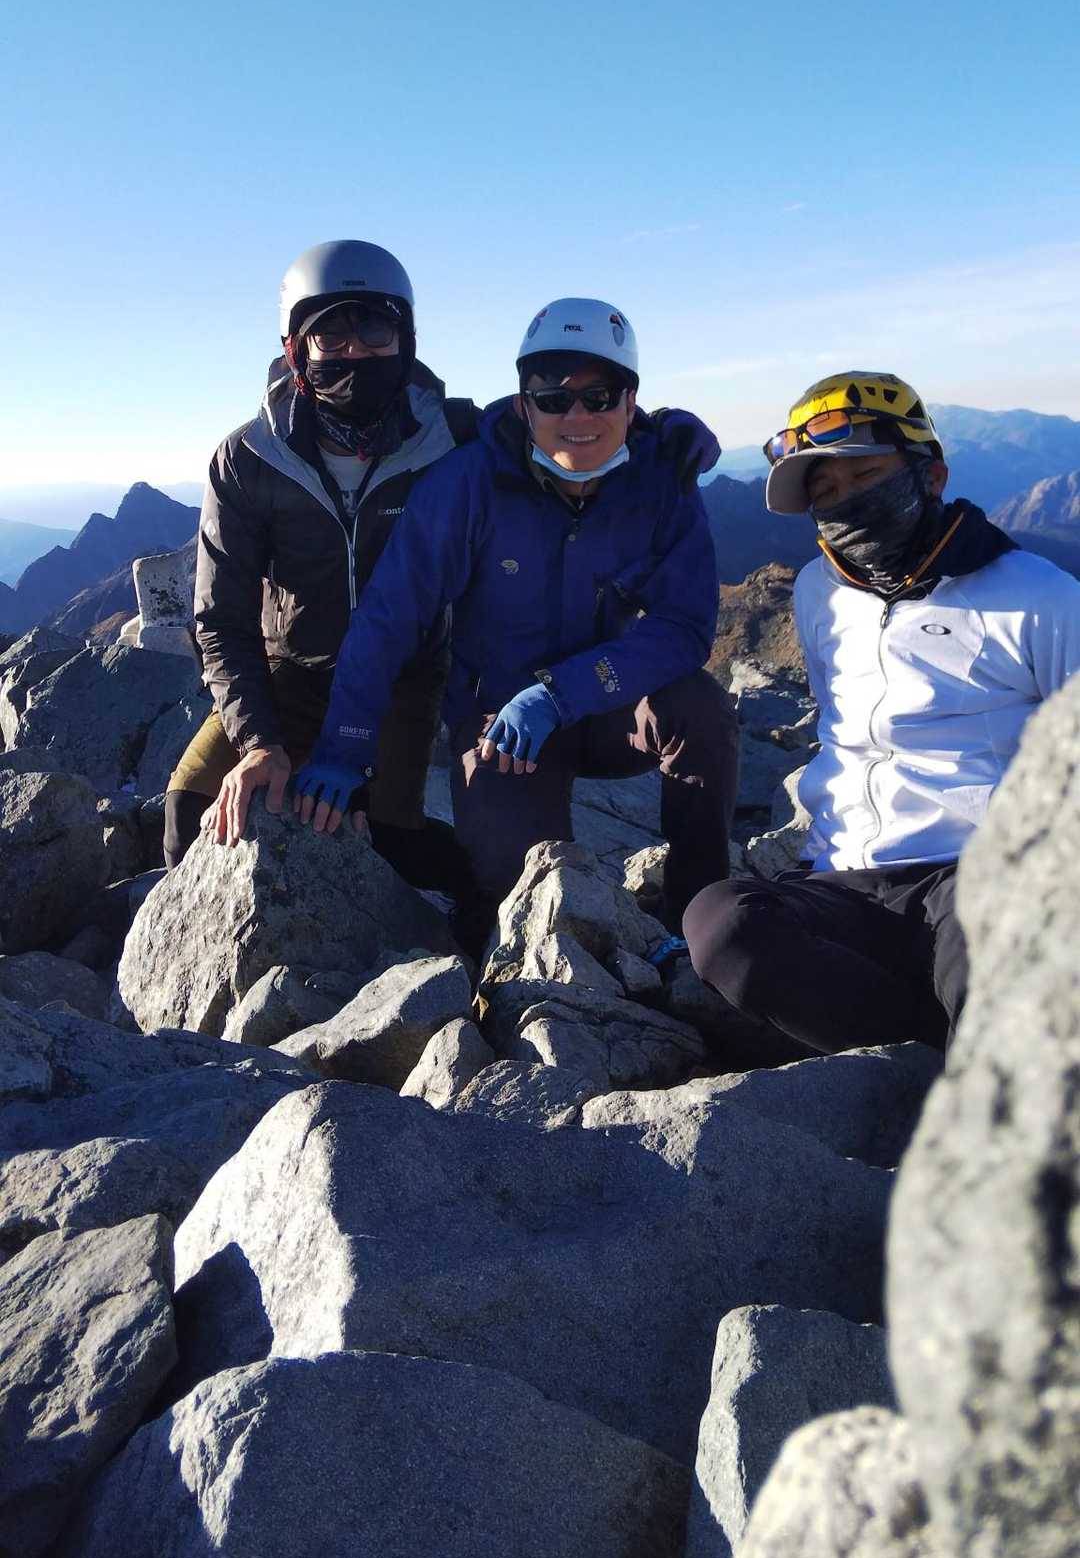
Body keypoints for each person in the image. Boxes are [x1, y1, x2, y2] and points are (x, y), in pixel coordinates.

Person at [293, 297, 736, 955]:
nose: (577, 417)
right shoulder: (469, 484)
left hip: (605, 704)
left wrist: (562, 692)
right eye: (553, 399)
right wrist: (343, 747)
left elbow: (685, 625)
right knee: (515, 893)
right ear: (525, 405)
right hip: (501, 723)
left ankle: (700, 919)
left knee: (700, 708)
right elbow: (389, 618)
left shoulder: (661, 481)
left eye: (599, 396)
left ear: (631, 402)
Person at [683, 370, 1080, 1053]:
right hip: (844, 876)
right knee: (721, 926)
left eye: (865, 475)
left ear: (931, 475)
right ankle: (942, 1046)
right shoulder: (818, 592)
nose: (846, 500)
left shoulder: (1038, 598)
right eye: (825, 492)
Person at [163, 238, 478, 886]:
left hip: (406, 675)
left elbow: (565, 426)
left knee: (388, 844)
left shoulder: (454, 440)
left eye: (375, 328)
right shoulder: (250, 460)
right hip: (292, 672)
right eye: (330, 334)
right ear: (295, 348)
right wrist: (260, 744)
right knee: (189, 813)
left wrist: (656, 436)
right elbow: (221, 620)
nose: (354, 351)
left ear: (406, 340)